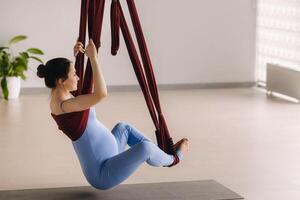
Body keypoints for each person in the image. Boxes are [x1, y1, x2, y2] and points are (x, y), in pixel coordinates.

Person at [36, 39, 189, 190]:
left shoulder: (63, 96)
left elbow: (77, 86)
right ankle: (172, 159)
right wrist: (94, 59)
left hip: (111, 154)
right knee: (145, 148)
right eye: (74, 74)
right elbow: (101, 94)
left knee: (123, 128)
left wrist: (79, 56)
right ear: (61, 81)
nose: (78, 77)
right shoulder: (65, 106)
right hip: (103, 173)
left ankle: (158, 155)